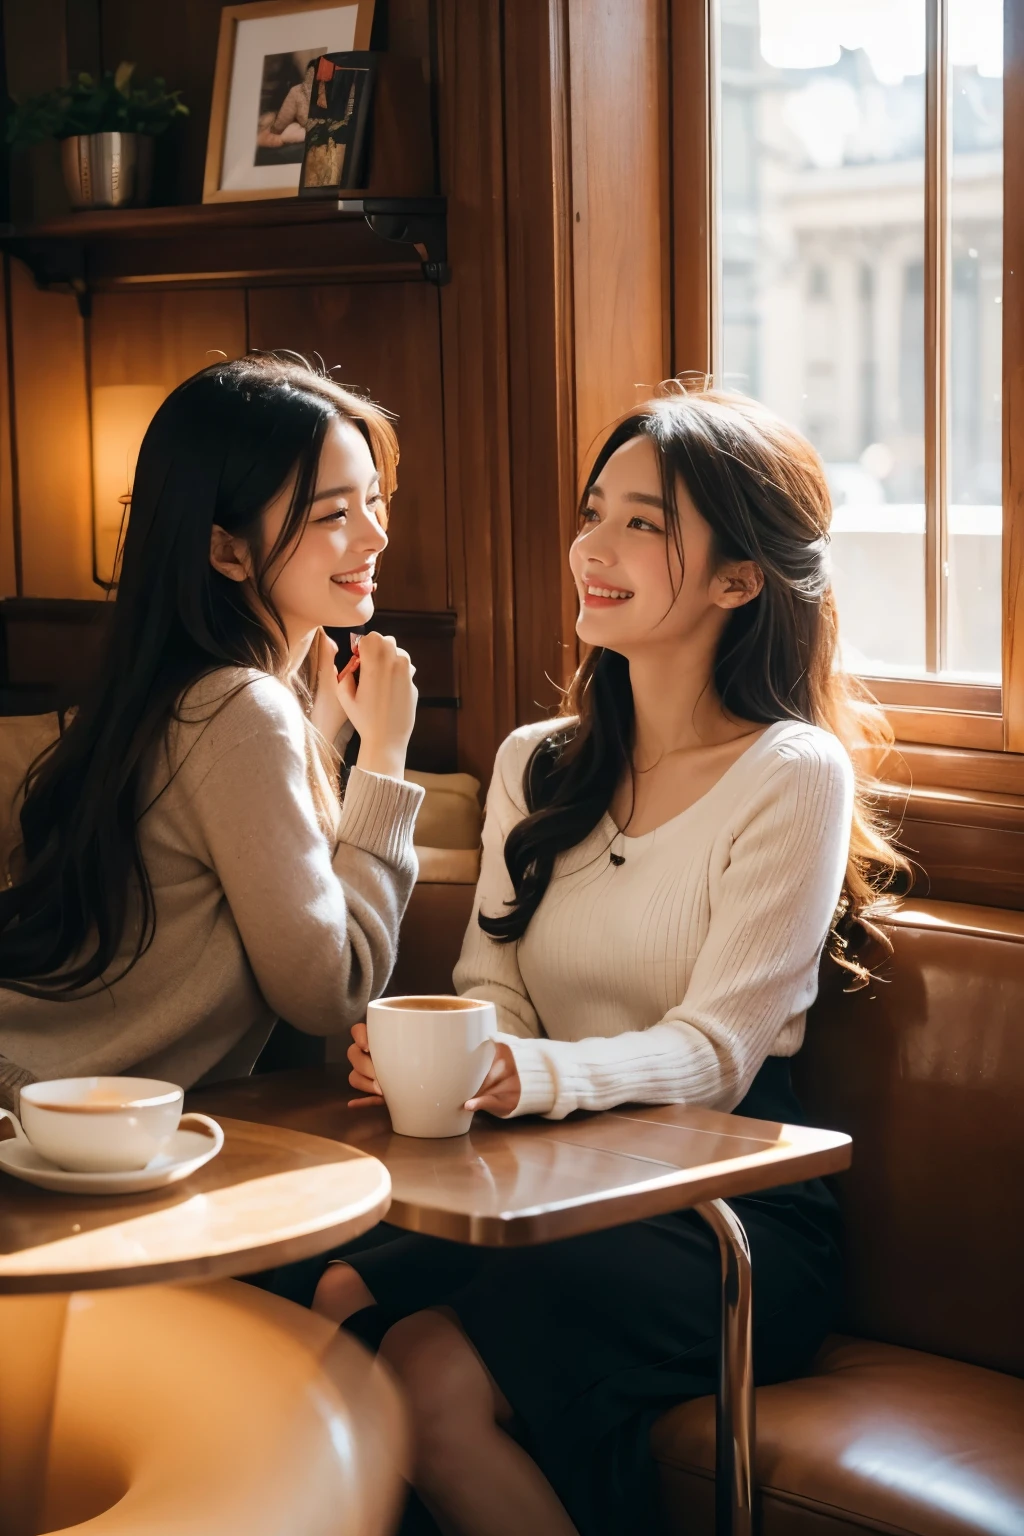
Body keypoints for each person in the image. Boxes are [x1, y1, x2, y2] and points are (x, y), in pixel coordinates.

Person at [328, 388, 908, 1536]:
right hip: (542, 1182)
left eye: (644, 523)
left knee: (430, 1382)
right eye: (596, 511)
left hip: (725, 1218)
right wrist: (450, 1056)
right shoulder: (535, 762)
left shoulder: (792, 775)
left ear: (741, 580)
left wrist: (520, 1077)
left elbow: (716, 1057)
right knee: (325, 1300)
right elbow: (492, 984)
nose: (593, 546)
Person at [0, 354, 422, 1107]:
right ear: (226, 549)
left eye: (375, 500)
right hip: (40, 1122)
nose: (375, 537)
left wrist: (323, 734)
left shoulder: (194, 696)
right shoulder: (239, 709)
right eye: (333, 514)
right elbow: (332, 988)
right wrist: (384, 763)